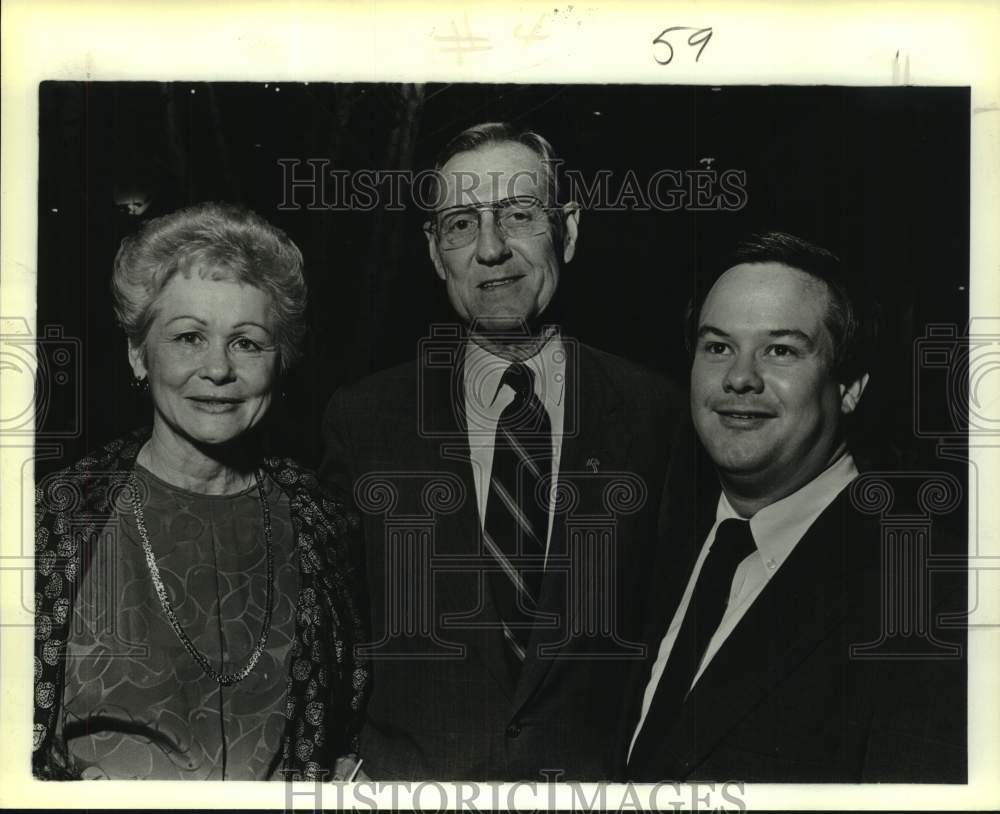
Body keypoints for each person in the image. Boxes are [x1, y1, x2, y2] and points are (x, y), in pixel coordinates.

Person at [321, 122, 682, 779]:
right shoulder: (365, 419)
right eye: (460, 223)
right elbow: (328, 630)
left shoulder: (658, 414)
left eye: (518, 215)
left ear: (568, 230)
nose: (491, 250)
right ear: (435, 253)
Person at [33, 202, 367, 780]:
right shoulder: (55, 517)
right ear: (139, 353)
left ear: (280, 361)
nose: (217, 369)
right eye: (189, 337)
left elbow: (347, 723)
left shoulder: (321, 523)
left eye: (247, 343)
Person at [624, 231, 966, 782]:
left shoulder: (926, 598)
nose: (739, 378)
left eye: (780, 350)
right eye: (717, 346)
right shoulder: (656, 546)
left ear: (850, 386)